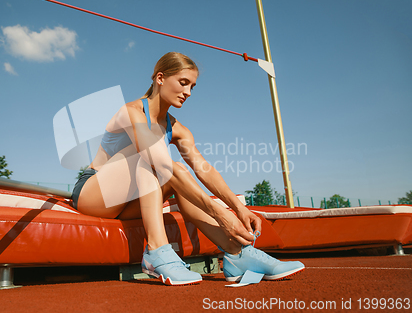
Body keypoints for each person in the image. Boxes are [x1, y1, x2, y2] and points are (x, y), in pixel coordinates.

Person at [72, 52, 304, 286]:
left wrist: (237, 208)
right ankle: (156, 250)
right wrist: (221, 214)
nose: (188, 93)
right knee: (152, 159)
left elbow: (204, 170)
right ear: (160, 78)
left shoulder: (178, 129)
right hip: (94, 194)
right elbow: (162, 164)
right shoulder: (131, 112)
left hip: (130, 202)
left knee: (175, 174)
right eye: (183, 83)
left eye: (192, 86)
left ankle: (237, 253)